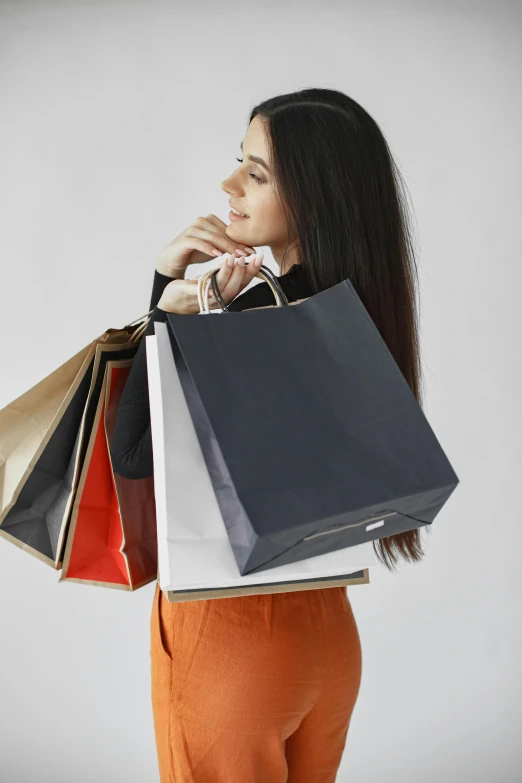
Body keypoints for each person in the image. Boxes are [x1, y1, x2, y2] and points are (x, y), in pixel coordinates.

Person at [110, 87, 426, 783]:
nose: (230, 186)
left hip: (230, 648)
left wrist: (166, 298)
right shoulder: (363, 314)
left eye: (255, 173)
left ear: (314, 197)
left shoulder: (255, 315)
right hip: (328, 644)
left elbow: (132, 455)